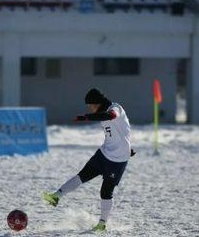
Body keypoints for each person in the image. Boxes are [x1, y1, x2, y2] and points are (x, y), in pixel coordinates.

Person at [42, 88, 135, 232]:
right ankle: (56, 196)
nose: (90, 108)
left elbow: (111, 116)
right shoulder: (100, 113)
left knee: (105, 192)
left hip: (118, 160)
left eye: (90, 105)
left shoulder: (115, 108)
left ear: (98, 102)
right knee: (82, 175)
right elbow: (120, 132)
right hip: (104, 153)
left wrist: (86, 117)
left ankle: (102, 224)